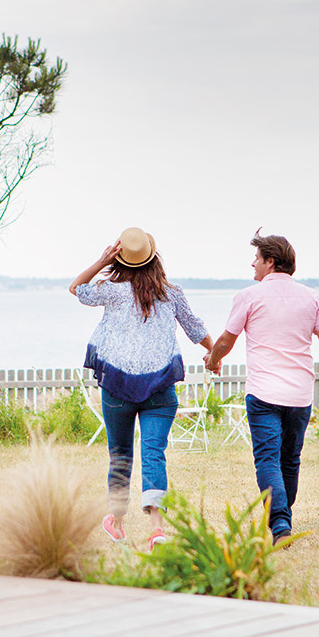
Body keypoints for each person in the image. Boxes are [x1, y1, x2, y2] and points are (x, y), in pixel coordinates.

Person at [204, 230, 319, 545]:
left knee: (268, 460)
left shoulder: (248, 296)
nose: (252, 265)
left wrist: (213, 359)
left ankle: (281, 522)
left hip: (263, 395)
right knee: (290, 459)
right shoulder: (313, 297)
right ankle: (283, 520)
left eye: (256, 259)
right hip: (300, 395)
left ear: (270, 261)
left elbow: (225, 340)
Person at [69, 227, 213, 551]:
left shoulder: (110, 289)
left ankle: (117, 523)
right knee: (153, 454)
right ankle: (157, 529)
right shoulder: (170, 293)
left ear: (120, 257)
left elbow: (75, 287)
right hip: (160, 387)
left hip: (117, 385)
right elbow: (196, 328)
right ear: (153, 257)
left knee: (120, 456)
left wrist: (100, 260)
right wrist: (214, 354)